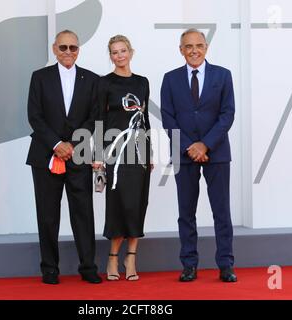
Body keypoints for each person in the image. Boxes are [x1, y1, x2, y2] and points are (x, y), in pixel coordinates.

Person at [160, 29, 237, 282]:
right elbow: (168, 118)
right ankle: (189, 265)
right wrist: (189, 147)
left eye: (199, 45)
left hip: (217, 153)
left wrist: (205, 145)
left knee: (221, 211)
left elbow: (227, 114)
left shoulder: (222, 75)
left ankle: (226, 265)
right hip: (184, 154)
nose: (194, 50)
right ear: (180, 49)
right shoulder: (170, 79)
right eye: (188, 46)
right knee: (186, 212)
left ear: (206, 47)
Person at [26, 30, 102, 285]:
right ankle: (49, 268)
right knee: (47, 214)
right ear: (54, 49)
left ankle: (88, 267)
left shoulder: (92, 79)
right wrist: (57, 144)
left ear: (78, 49)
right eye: (63, 48)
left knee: (83, 212)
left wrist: (73, 144)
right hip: (45, 157)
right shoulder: (40, 77)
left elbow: (95, 117)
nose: (68, 52)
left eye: (73, 47)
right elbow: (34, 116)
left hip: (79, 155)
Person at [93, 35, 152, 281]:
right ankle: (112, 259)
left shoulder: (142, 82)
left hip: (139, 153)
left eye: (123, 50)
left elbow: (145, 118)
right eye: (115, 52)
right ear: (110, 56)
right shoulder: (104, 83)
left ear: (131, 52)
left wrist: (149, 154)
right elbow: (98, 120)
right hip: (115, 153)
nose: (119, 55)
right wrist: (97, 155)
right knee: (118, 205)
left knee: (137, 204)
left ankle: (131, 259)